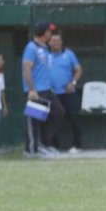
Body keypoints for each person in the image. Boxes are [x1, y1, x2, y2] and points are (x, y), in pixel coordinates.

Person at [22, 20, 66, 157]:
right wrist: (32, 90)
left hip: (47, 89)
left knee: (59, 112)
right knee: (34, 121)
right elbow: (27, 70)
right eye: (49, 31)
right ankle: (31, 150)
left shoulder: (45, 48)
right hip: (36, 90)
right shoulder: (31, 48)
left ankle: (44, 143)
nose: (51, 33)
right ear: (45, 32)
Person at [48, 31, 83, 155]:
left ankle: (77, 145)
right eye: (53, 40)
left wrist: (72, 83)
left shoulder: (69, 54)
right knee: (52, 119)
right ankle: (54, 146)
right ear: (49, 42)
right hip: (52, 94)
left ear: (62, 42)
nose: (56, 43)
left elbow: (78, 70)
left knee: (74, 118)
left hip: (68, 93)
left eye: (58, 40)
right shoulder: (45, 55)